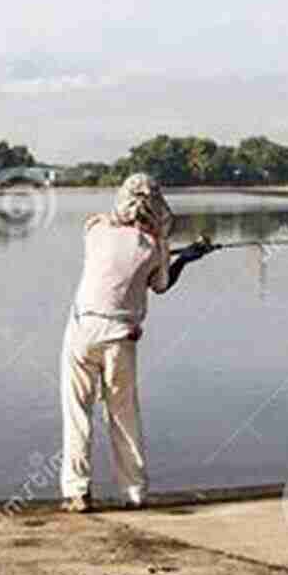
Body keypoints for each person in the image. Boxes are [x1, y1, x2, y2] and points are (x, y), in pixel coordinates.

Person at [59, 173, 211, 513]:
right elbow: (161, 285)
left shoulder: (95, 230)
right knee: (124, 416)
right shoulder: (156, 247)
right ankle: (134, 493)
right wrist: (185, 258)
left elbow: (112, 233)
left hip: (82, 332)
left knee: (77, 414)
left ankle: (77, 493)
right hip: (122, 338)